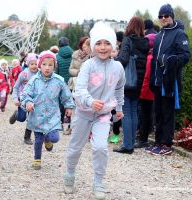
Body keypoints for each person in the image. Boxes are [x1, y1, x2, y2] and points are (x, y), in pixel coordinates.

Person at [63, 22, 125, 200]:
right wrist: (90, 101)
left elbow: (120, 88)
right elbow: (79, 90)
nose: (103, 47)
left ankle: (99, 181)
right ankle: (69, 174)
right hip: (83, 113)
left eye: (107, 43)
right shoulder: (88, 65)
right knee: (76, 148)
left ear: (113, 45)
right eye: (98, 43)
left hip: (104, 115)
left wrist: (119, 108)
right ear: (92, 46)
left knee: (100, 147)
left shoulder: (118, 68)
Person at [148, 4, 191, 155]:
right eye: (160, 16)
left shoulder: (179, 34)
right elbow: (154, 59)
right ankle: (158, 142)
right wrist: (153, 78)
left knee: (167, 112)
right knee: (158, 112)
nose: (163, 19)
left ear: (172, 16)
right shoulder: (159, 35)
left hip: (170, 81)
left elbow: (186, 56)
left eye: (166, 15)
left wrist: (169, 59)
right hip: (158, 81)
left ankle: (166, 144)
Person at [20, 50, 74, 170]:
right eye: (44, 64)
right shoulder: (34, 80)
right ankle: (37, 159)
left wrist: (69, 106)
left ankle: (48, 140)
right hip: (37, 114)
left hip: (53, 115)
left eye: (50, 65)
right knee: (38, 140)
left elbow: (66, 94)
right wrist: (28, 102)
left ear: (54, 66)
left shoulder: (59, 80)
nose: (47, 68)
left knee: (55, 137)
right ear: (39, 65)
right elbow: (25, 94)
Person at [113, 16, 149, 154]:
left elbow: (123, 59)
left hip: (127, 81)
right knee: (134, 112)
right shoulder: (145, 42)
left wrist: (114, 60)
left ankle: (127, 145)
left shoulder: (128, 40)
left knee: (126, 112)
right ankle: (131, 142)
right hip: (139, 81)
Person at [10, 53, 39, 145]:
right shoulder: (24, 74)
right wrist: (15, 98)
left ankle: (27, 137)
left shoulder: (40, 74)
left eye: (36, 64)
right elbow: (15, 87)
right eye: (32, 64)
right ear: (27, 64)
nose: (34, 66)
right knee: (22, 118)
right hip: (23, 99)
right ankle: (17, 114)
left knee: (31, 118)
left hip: (34, 100)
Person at [134, 33, 157, 148]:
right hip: (151, 91)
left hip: (147, 91)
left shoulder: (150, 57)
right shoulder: (153, 55)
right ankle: (144, 137)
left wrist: (142, 91)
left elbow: (147, 77)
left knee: (144, 115)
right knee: (148, 115)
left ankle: (143, 139)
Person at [56, 37, 73, 132]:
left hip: (61, 83)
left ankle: (61, 123)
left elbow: (56, 71)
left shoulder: (57, 57)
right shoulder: (73, 54)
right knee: (70, 103)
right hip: (72, 83)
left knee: (61, 104)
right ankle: (69, 125)